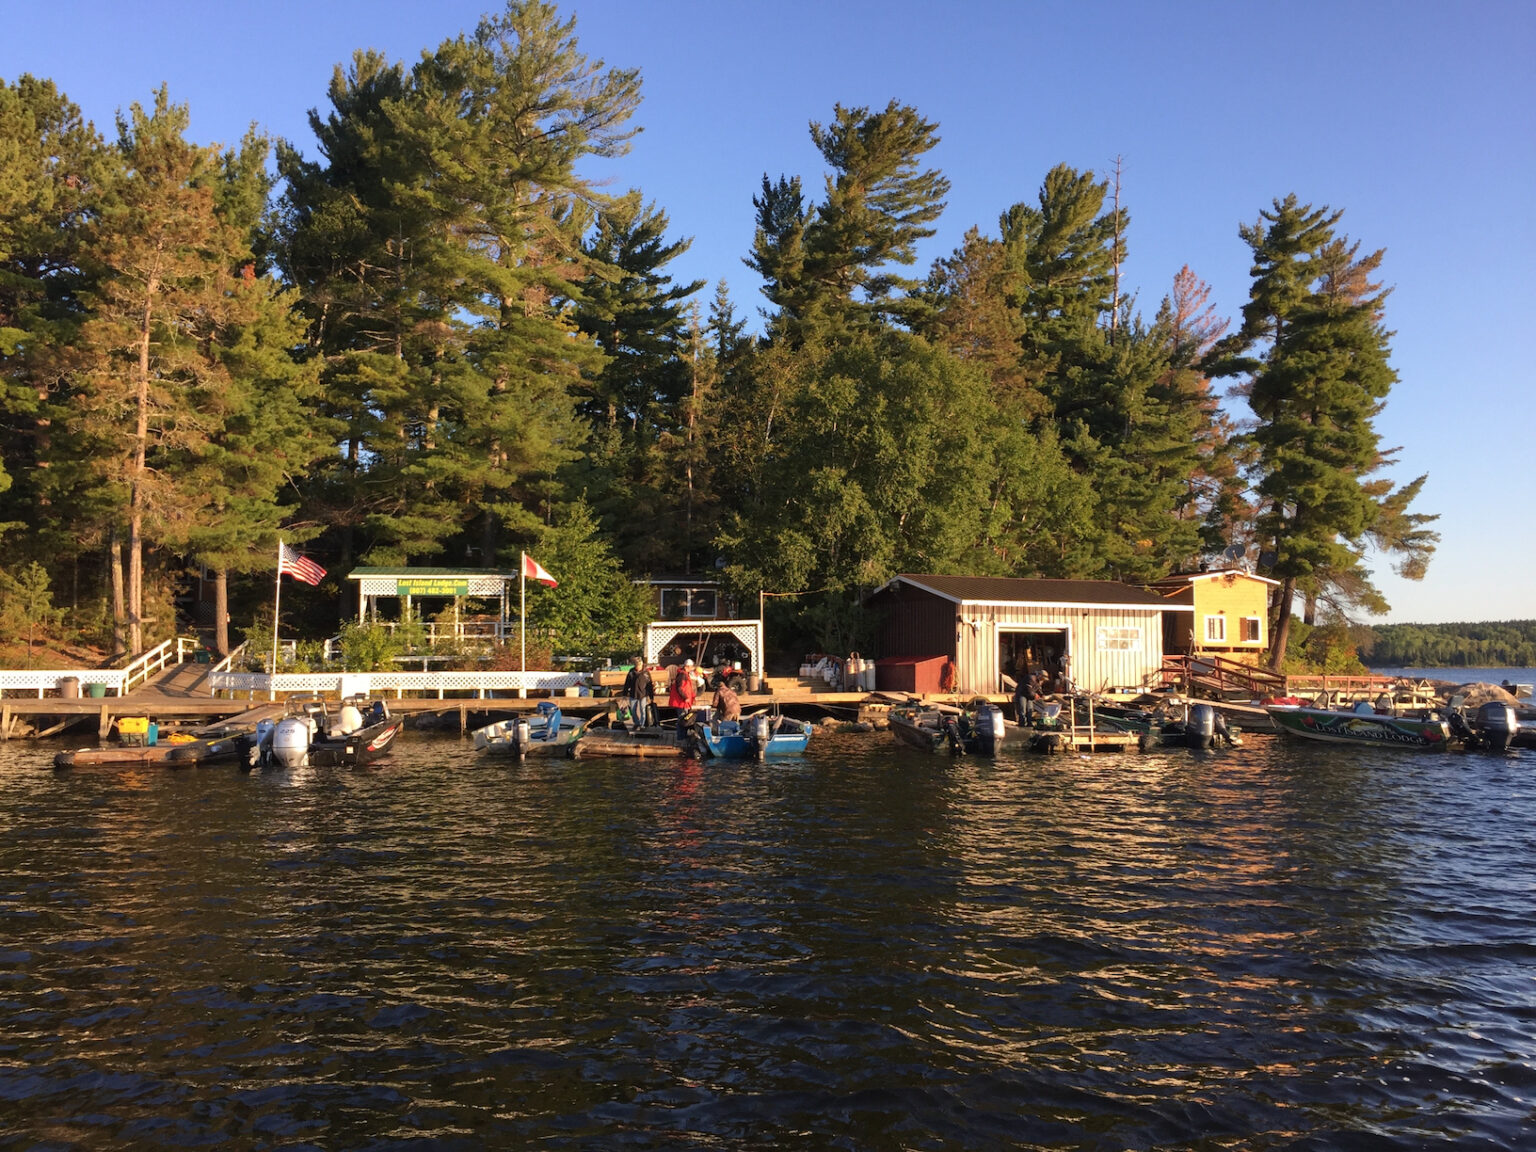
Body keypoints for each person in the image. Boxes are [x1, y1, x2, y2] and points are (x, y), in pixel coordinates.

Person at [669, 658, 697, 736]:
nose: (692, 668)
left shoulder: (685, 674)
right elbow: (680, 688)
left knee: (684, 719)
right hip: (681, 702)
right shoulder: (682, 675)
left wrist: (693, 697)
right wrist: (685, 697)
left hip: (684, 702)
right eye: (691, 667)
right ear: (687, 666)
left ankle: (683, 735)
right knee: (682, 719)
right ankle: (681, 736)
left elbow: (687, 688)